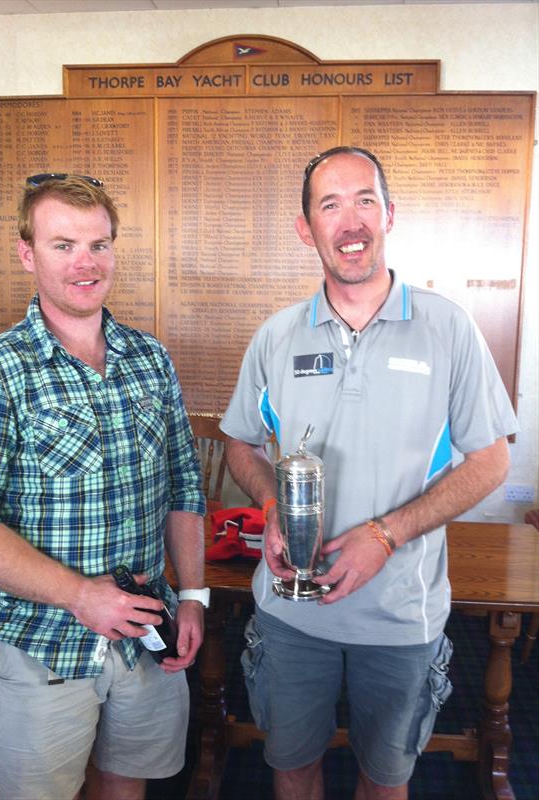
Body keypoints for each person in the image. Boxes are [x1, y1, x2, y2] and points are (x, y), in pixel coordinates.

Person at [221, 146, 518, 800]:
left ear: (388, 214)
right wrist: (271, 507)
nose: (349, 220)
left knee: (385, 780)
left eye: (363, 201)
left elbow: (491, 458)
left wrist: (384, 535)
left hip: (399, 618)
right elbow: (241, 446)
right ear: (306, 229)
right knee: (290, 768)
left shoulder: (447, 328)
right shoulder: (275, 336)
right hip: (290, 617)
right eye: (329, 205)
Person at [0, 174, 210, 800]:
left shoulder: (150, 359)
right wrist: (78, 596)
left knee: (124, 787)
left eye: (98, 244)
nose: (84, 263)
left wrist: (194, 594)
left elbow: (183, 485)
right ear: (27, 253)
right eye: (63, 245)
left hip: (147, 637)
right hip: (42, 648)